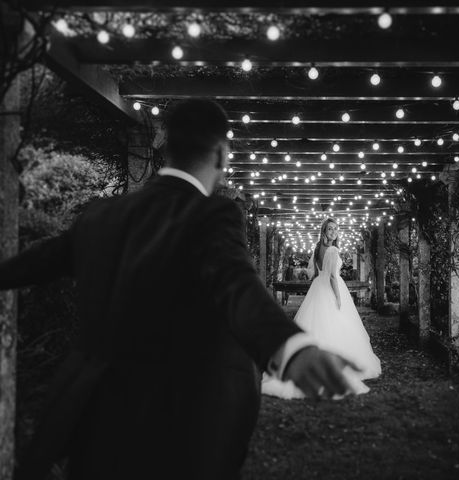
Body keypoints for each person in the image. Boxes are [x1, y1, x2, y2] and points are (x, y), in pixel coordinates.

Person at [0, 99, 359, 480]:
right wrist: (292, 348)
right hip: (182, 429)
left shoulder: (100, 215)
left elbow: (35, 262)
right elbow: (238, 286)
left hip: (95, 424)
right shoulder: (211, 216)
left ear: (165, 147)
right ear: (222, 153)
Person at [262, 218, 381, 399]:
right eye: (330, 229)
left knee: (315, 322)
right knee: (335, 320)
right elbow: (333, 277)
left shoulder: (317, 248)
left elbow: (316, 273)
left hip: (318, 286)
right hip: (330, 287)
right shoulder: (332, 249)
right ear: (324, 231)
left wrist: (321, 284)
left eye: (335, 229)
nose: (333, 231)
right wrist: (339, 297)